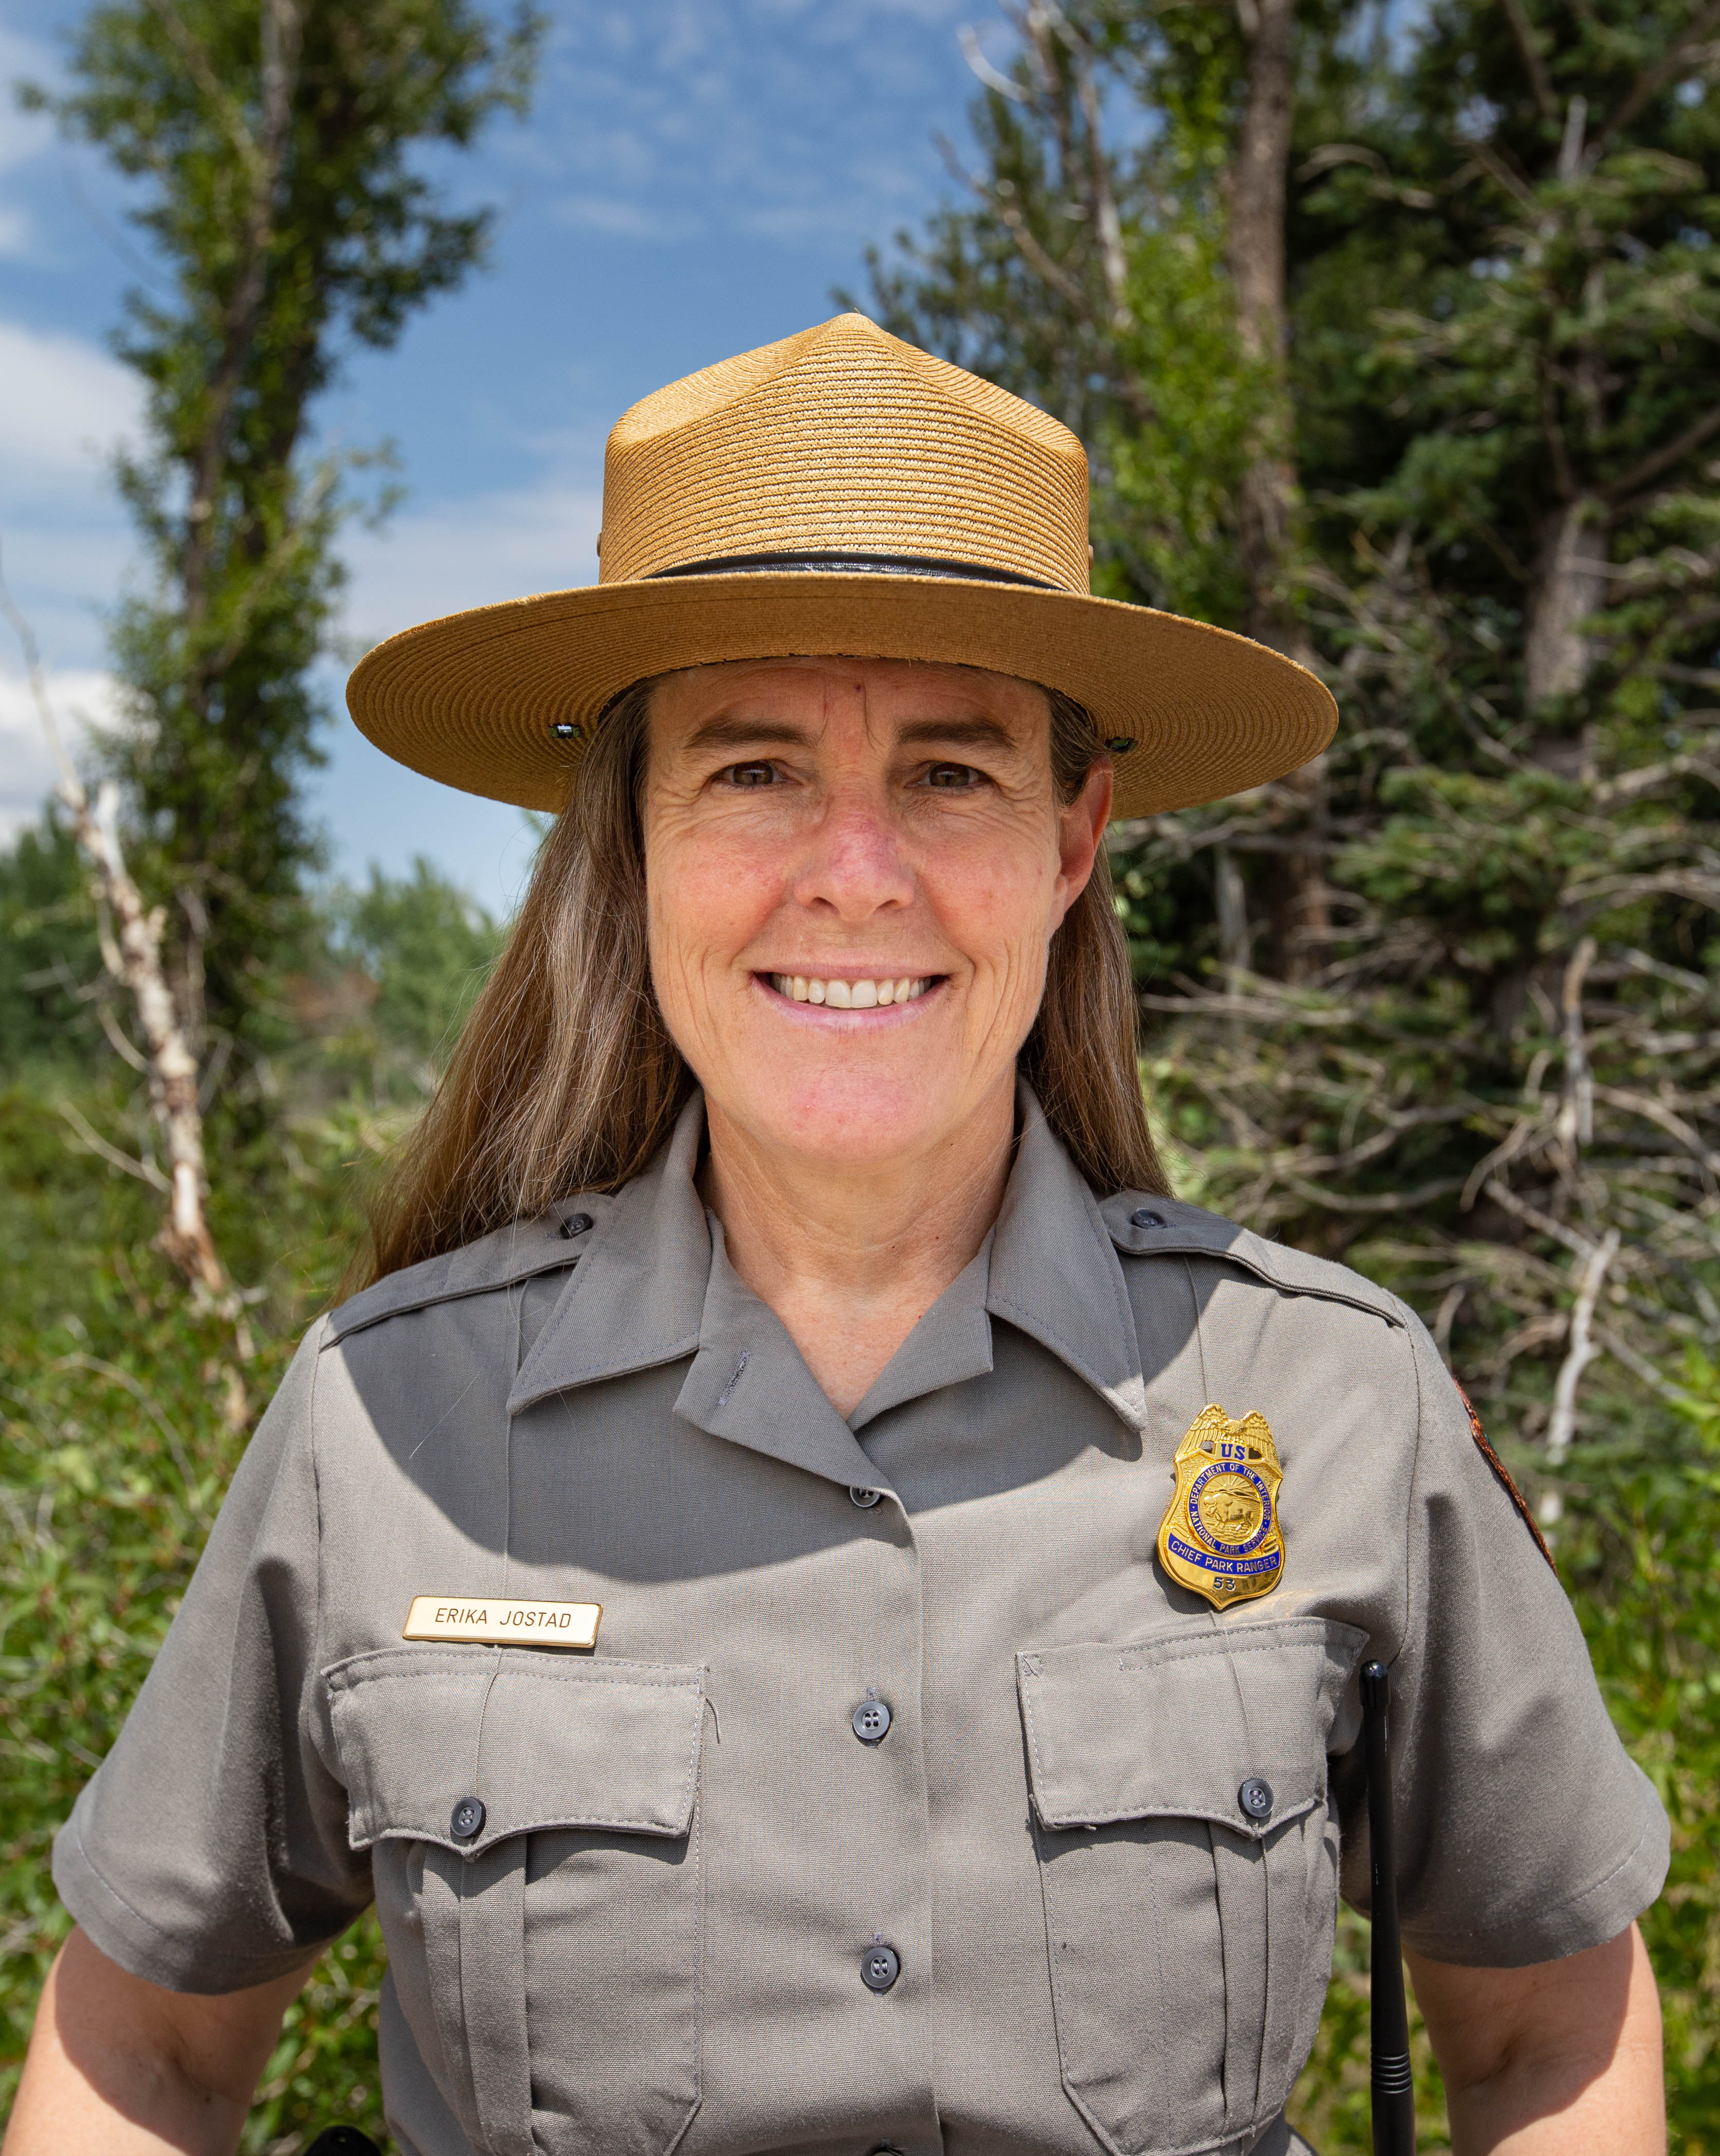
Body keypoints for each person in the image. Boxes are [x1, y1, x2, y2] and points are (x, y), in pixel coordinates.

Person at [6, 314, 1669, 2156]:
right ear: (627, 846)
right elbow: (140, 2051)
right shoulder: (384, 1423)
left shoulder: (1332, 1396)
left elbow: (1550, 2027)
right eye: (754, 768)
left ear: (1070, 838)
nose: (856, 870)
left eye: (953, 772)